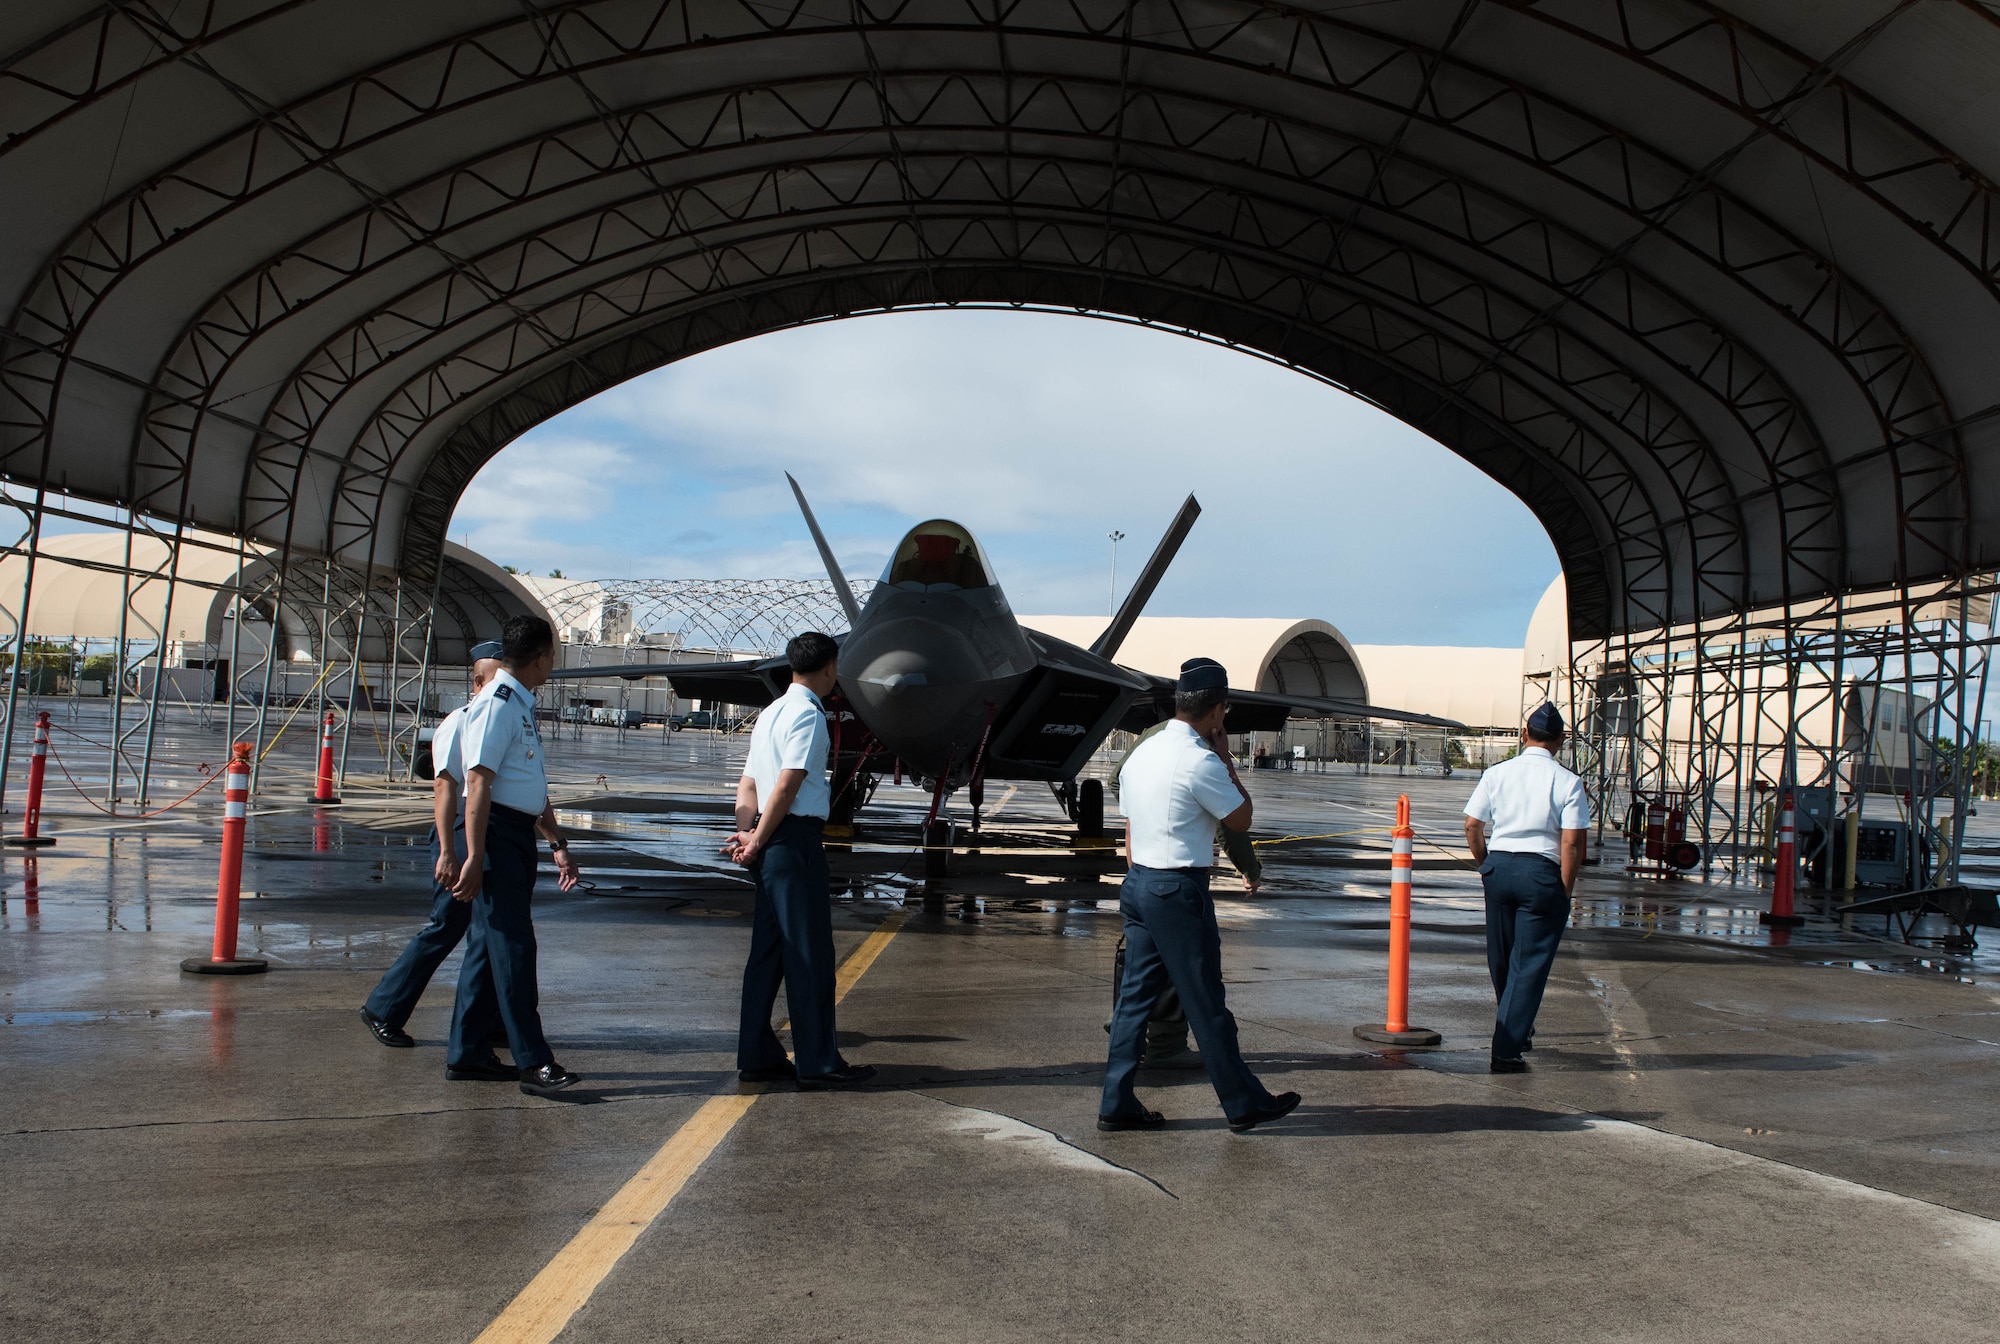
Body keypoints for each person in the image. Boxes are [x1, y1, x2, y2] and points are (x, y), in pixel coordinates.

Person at [1099, 658, 1301, 1134]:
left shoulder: (1140, 755)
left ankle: (1116, 1100)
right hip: (1178, 889)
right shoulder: (1199, 759)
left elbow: (1129, 812)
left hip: (1141, 882)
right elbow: (1241, 819)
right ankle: (1243, 1101)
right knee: (1206, 999)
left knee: (1133, 1002)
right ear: (1218, 711)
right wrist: (1228, 762)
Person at [725, 631, 875, 1090]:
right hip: (793, 842)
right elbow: (787, 787)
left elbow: (748, 785)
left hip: (768, 841)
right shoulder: (809, 714)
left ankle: (756, 1055)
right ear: (829, 668)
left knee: (767, 955)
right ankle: (818, 1061)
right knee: (810, 953)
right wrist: (759, 839)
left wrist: (748, 832)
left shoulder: (770, 712)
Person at [447, 615, 583, 1096]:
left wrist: (557, 843)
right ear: (543, 656)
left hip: (515, 834)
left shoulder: (518, 704)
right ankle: (533, 1061)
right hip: (496, 837)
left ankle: (466, 1053)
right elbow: (477, 784)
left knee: (487, 948)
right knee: (514, 948)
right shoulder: (499, 705)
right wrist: (474, 855)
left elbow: (528, 787)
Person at [358, 640, 504, 1048]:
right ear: (477, 681)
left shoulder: (499, 718)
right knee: (447, 926)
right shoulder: (459, 722)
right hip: (457, 831)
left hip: (486, 833)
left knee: (491, 932)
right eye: (495, 678)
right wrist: (447, 850)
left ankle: (487, 1021)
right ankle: (384, 1007)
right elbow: (444, 786)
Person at [1106, 719, 1265, 1070]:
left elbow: (1116, 779)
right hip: (1176, 878)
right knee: (1193, 970)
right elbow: (1233, 821)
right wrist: (1249, 868)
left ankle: (1126, 1041)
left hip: (1141, 870)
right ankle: (1168, 1044)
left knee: (1142, 969)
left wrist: (1142, 821)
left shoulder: (1149, 735)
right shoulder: (1202, 748)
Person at [1462, 701, 1591, 1073]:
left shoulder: (1497, 772)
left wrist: (1485, 864)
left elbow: (1472, 825)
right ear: (1561, 741)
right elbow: (1572, 844)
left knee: (1501, 957)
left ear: (1524, 734)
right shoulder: (1567, 782)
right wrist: (1565, 890)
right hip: (1541, 871)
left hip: (1500, 867)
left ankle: (1516, 1024)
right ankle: (1506, 1049)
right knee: (1529, 964)